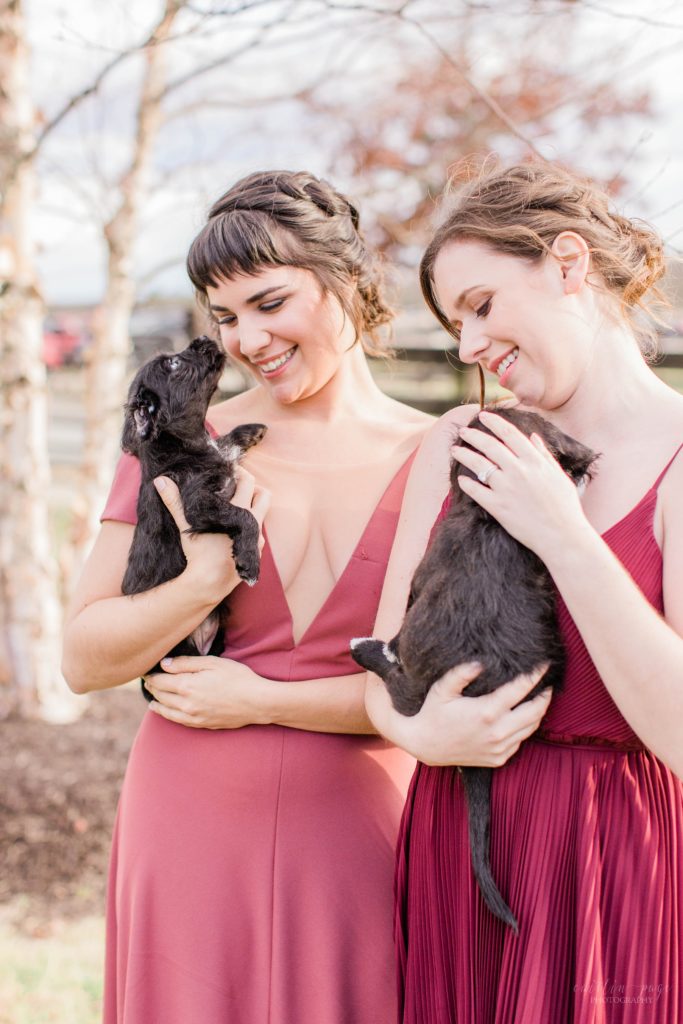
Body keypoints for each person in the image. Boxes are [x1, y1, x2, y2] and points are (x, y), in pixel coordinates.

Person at [61, 170, 432, 1024]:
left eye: (270, 302)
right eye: (225, 318)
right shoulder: (185, 447)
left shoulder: (438, 451)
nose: (249, 339)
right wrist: (202, 581)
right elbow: (83, 659)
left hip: (370, 830)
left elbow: (437, 683)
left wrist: (264, 700)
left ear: (345, 282)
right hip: (190, 824)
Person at [364, 162, 683, 1023]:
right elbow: (379, 668)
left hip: (606, 859)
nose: (468, 346)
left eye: (480, 305)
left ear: (568, 264)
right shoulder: (457, 441)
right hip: (454, 845)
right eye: (453, 323)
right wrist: (418, 730)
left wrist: (563, 533)